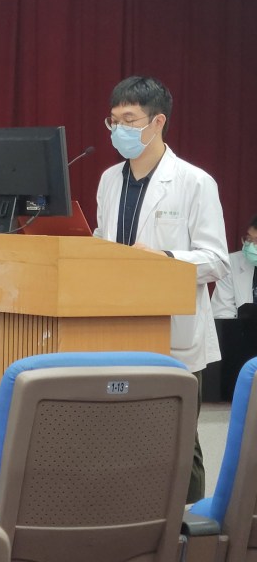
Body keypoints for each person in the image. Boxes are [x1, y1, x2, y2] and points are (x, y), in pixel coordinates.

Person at [94, 75, 229, 503]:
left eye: (129, 120)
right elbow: (104, 240)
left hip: (174, 335)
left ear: (158, 122)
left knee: (179, 445)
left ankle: (190, 527)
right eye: (113, 120)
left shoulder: (194, 182)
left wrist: (164, 258)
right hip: (118, 327)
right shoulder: (109, 180)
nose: (119, 129)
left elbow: (217, 260)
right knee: (122, 442)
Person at [211, 215, 257, 318]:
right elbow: (222, 312)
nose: (251, 245)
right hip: (242, 328)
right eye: (249, 239)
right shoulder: (232, 263)